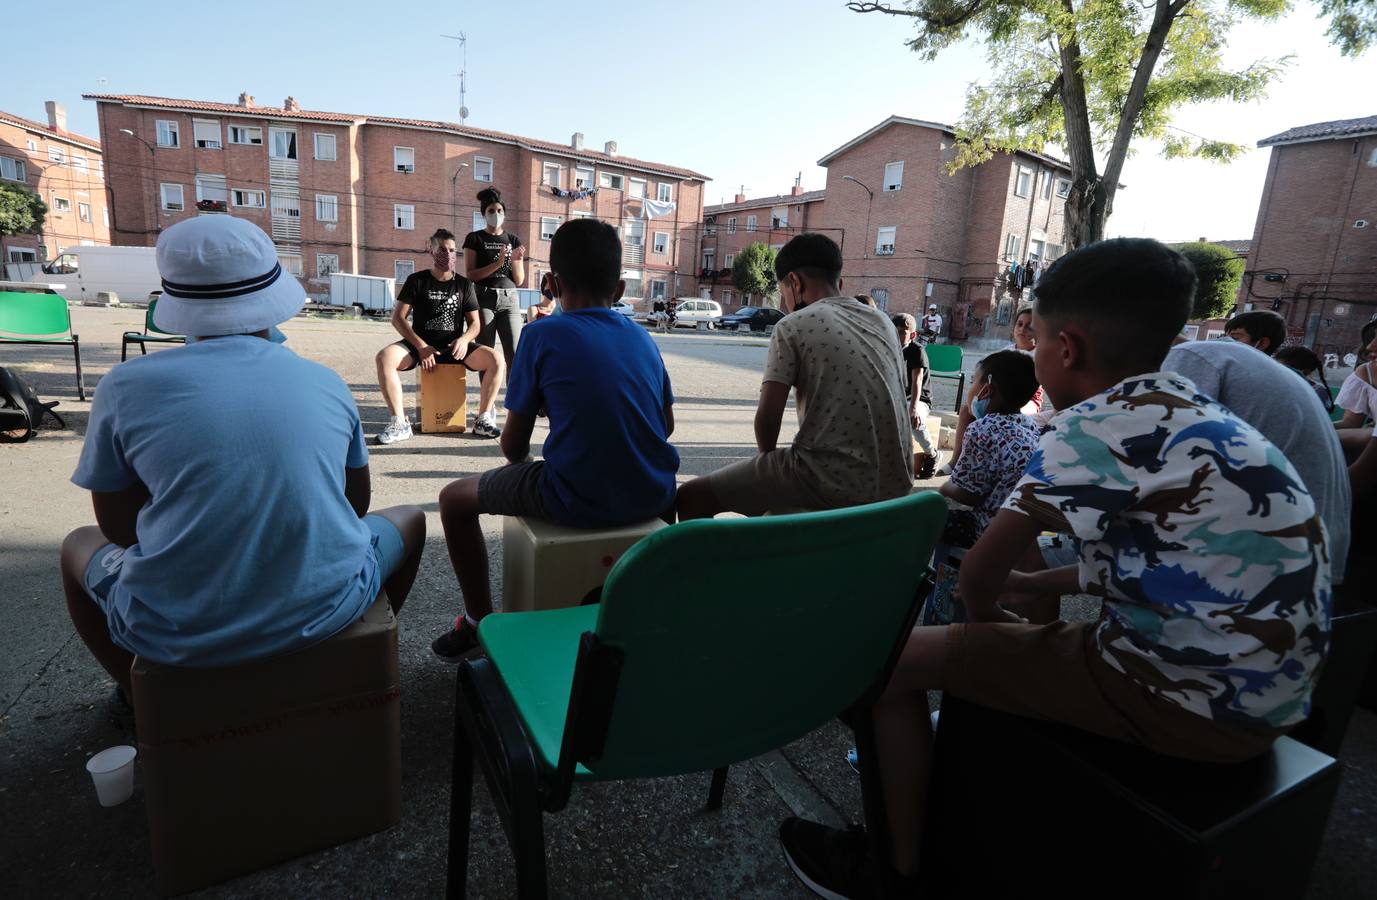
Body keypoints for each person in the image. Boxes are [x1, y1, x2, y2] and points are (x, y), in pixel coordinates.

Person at [779, 238, 1331, 898]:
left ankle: (891, 870)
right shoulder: (1201, 414)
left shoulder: (1090, 425)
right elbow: (1170, 562)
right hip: (1275, 699)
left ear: (1065, 348)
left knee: (891, 665)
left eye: (1035, 341)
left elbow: (980, 579)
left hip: (1181, 702)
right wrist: (1037, 586)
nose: (1033, 358)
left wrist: (980, 648)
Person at [61, 216, 426, 704]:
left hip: (172, 632)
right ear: (272, 299)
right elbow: (354, 505)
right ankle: (359, 651)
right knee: (411, 520)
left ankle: (139, 699)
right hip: (326, 608)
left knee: (76, 546)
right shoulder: (323, 382)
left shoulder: (122, 388)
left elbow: (119, 530)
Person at [432, 219, 679, 660]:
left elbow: (513, 447)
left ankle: (476, 621)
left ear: (551, 283)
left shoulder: (541, 334)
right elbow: (666, 426)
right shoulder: (643, 338)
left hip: (577, 497)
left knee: (453, 500)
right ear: (620, 289)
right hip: (654, 495)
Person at [676, 233, 911, 519]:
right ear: (840, 282)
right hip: (896, 483)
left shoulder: (793, 325)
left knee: (691, 497)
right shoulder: (883, 321)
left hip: (827, 479)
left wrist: (767, 462)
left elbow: (768, 416)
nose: (784, 302)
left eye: (782, 292)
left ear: (795, 283)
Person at [374, 228, 507, 443]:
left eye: (452, 250)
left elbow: (475, 324)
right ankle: (399, 423)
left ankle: (483, 419)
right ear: (431, 249)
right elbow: (398, 318)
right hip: (420, 347)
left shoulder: (464, 284)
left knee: (496, 359)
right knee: (384, 358)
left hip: (453, 348)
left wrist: (464, 340)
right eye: (442, 249)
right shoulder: (417, 280)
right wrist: (421, 346)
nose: (448, 254)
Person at [936, 350, 1040, 548]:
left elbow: (971, 495)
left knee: (929, 520)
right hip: (1025, 529)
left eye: (973, 381)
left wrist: (943, 488)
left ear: (986, 390)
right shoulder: (1030, 426)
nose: (970, 387)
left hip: (991, 532)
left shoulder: (981, 429)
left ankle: (944, 576)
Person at [940, 305, 1041, 476]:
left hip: (1026, 399)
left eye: (1029, 326)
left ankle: (992, 466)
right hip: (999, 394)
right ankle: (956, 461)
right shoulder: (1004, 352)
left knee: (1004, 414)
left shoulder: (1040, 355)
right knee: (966, 410)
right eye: (1019, 324)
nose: (1023, 329)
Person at [463, 187, 526, 370]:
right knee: (486, 353)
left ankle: (513, 399)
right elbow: (471, 274)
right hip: (483, 298)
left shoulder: (513, 239)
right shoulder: (474, 238)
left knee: (514, 354)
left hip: (510, 298)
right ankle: (487, 399)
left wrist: (515, 261)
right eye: (491, 210)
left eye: (500, 211)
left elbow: (519, 280)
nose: (496, 214)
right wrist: (498, 264)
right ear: (484, 213)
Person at [892, 313, 941, 478]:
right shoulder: (891, 349)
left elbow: (917, 380)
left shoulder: (916, 350)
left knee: (912, 417)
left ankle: (932, 453)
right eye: (894, 331)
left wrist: (913, 408)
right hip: (899, 397)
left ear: (912, 335)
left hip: (919, 399)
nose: (896, 336)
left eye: (901, 332)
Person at [1334, 318, 1377, 459]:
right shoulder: (1366, 373)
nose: (1370, 346)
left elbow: (1360, 477)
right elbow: (1351, 422)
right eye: (1373, 337)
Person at [1273, 345, 1334, 411]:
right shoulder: (1275, 386)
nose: (1276, 372)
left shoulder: (1316, 392)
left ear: (1306, 371)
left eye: (1282, 369)